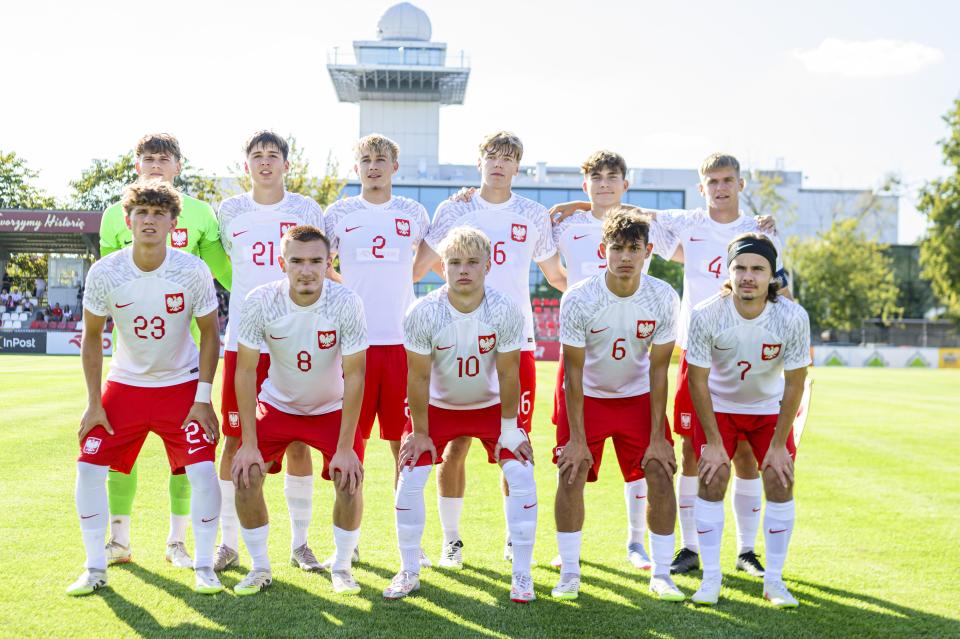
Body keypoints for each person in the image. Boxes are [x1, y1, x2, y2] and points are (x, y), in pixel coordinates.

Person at [413, 131, 565, 566]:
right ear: (478, 161)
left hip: (514, 344)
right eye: (491, 156)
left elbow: (556, 275)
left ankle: (515, 540)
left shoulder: (533, 214)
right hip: (455, 342)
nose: (499, 164)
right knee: (453, 446)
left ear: (518, 167)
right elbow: (418, 266)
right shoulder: (455, 209)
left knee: (511, 445)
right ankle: (452, 540)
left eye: (509, 158)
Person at [68, 181, 222, 596]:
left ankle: (204, 565)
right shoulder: (106, 271)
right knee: (87, 466)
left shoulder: (192, 270)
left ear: (173, 222)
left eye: (158, 213)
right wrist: (93, 402)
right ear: (127, 219)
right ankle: (95, 566)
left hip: (181, 386)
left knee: (204, 471)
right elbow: (91, 336)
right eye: (142, 212)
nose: (149, 220)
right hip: (126, 385)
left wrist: (204, 399)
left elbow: (210, 333)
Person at [98, 132, 232, 570]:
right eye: (149, 157)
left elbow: (226, 272)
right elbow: (106, 282)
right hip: (130, 362)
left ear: (178, 166)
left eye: (165, 157)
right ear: (137, 165)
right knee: (120, 453)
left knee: (186, 460)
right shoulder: (113, 216)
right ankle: (119, 538)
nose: (157, 163)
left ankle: (177, 541)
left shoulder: (200, 214)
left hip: (183, 362)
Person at [386, 226, 537, 602]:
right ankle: (408, 570)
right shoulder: (423, 312)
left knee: (521, 472)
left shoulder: (504, 309)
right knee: (410, 474)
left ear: (488, 265)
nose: (464, 270)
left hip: (487, 406)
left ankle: (522, 574)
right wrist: (420, 433)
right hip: (438, 407)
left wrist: (509, 428)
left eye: (472, 262)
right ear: (442, 268)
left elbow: (507, 373)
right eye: (455, 262)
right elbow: (418, 377)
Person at [549, 151, 679, 571]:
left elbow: (660, 370)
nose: (625, 255)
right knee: (571, 468)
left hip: (635, 390)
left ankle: (654, 563)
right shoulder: (569, 241)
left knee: (657, 467)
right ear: (603, 249)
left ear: (647, 251)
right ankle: (569, 569)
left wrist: (660, 434)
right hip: (585, 386)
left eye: (633, 249)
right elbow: (571, 371)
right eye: (617, 249)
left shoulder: (662, 295)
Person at [230, 225, 367, 596]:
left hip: (330, 408)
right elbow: (244, 371)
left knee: (349, 478)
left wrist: (345, 447)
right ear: (282, 263)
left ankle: (341, 566)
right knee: (244, 472)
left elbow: (355, 375)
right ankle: (259, 567)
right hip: (277, 404)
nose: (306, 270)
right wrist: (247, 442)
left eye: (315, 261)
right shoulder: (261, 300)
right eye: (297, 261)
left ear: (329, 263)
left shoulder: (345, 301)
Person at [215, 131, 325, 572]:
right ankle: (228, 542)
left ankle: (300, 544)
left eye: (273, 156)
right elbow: (227, 264)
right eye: (257, 156)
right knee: (235, 439)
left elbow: (321, 263)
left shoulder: (306, 209)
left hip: (295, 339)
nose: (265, 162)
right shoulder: (229, 211)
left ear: (285, 164)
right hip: (243, 342)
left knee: (298, 439)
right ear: (247, 166)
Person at [685, 233, 810, 608]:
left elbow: (795, 381)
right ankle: (710, 579)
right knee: (712, 476)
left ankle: (774, 581)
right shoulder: (707, 313)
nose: (748, 276)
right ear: (729, 271)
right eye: (740, 268)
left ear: (772, 275)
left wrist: (777, 447)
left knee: (779, 477)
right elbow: (697, 379)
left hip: (768, 409)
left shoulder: (792, 316)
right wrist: (713, 442)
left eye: (758, 269)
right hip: (720, 407)